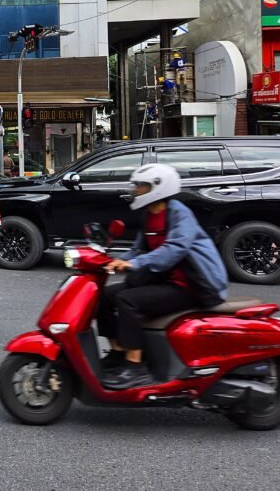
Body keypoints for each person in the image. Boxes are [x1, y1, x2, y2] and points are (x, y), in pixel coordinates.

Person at [96, 164, 228, 390]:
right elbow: (138, 249)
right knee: (103, 296)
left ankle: (136, 367)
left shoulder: (178, 213)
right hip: (165, 281)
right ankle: (118, 353)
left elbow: (174, 249)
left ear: (158, 187)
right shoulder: (149, 215)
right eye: (136, 186)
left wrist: (133, 263)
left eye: (141, 186)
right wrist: (108, 261)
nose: (136, 190)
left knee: (128, 300)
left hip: (193, 286)